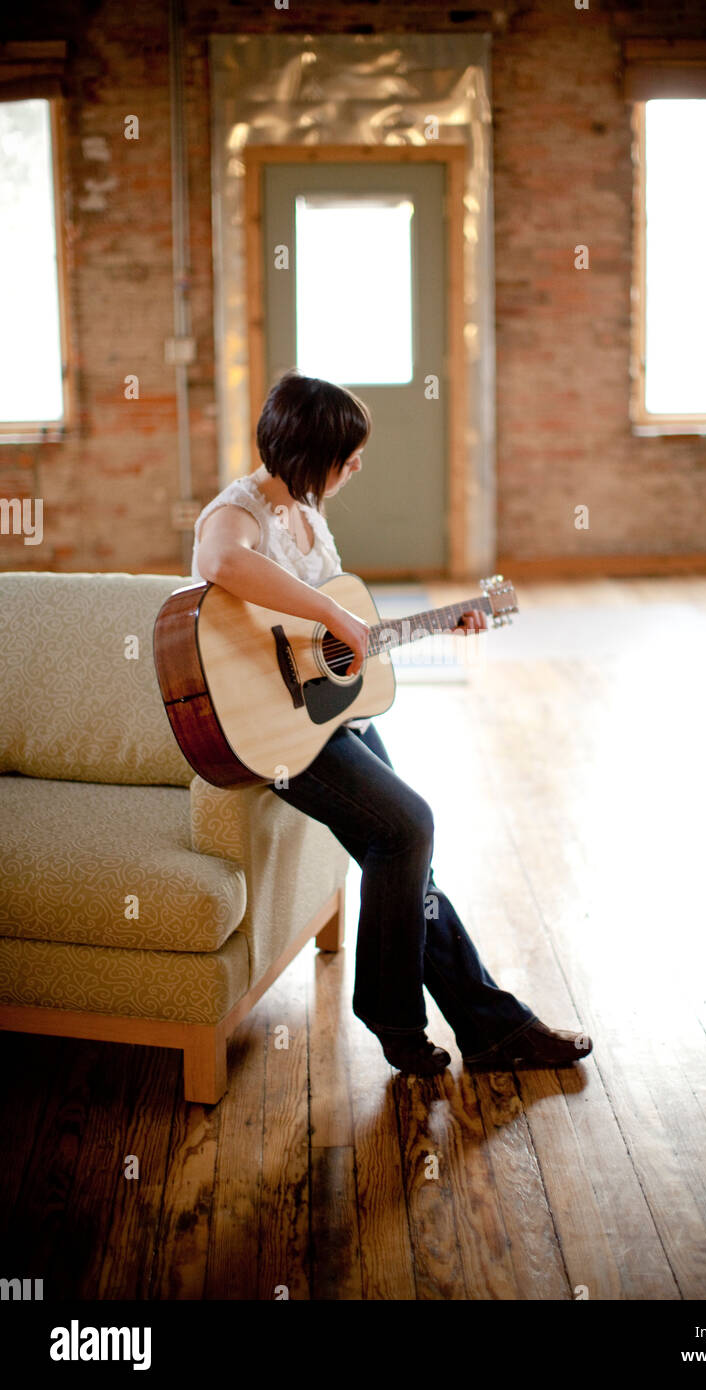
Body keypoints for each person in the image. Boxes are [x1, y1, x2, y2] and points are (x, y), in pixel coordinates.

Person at [191, 369, 593, 1076]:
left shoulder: (306, 511)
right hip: (267, 729)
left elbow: (337, 644)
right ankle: (395, 1016)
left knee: (409, 850)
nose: (356, 467)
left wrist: (446, 622)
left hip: (320, 714)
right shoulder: (243, 509)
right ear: (311, 454)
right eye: (347, 456)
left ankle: (492, 1026)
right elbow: (219, 561)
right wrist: (332, 615)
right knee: (407, 826)